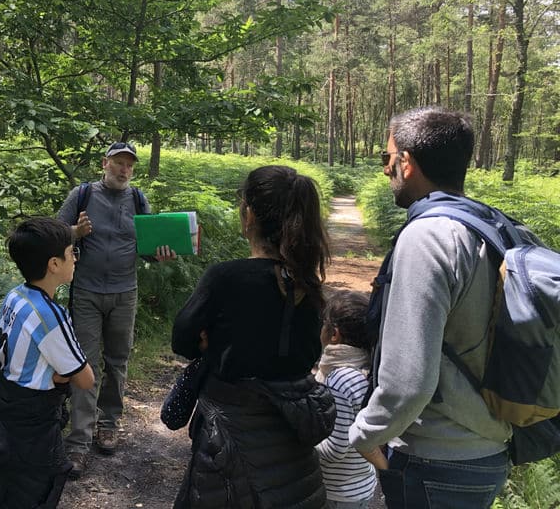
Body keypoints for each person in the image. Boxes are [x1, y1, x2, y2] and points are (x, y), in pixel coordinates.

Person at [348, 107, 511, 509]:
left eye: (387, 159)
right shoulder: (491, 227)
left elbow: (410, 379)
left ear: (406, 161)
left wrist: (365, 434)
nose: (385, 170)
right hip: (489, 449)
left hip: (435, 458)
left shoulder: (428, 236)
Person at [171, 165, 336, 509]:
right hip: (293, 450)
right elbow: (304, 353)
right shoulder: (310, 285)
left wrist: (212, 342)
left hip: (229, 443)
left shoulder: (226, 278)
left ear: (249, 216)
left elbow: (183, 339)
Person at [57, 141, 175, 478]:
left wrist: (162, 252)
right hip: (87, 293)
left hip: (125, 292)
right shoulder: (81, 195)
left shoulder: (137, 199)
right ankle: (78, 442)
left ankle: (108, 424)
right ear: (104, 164)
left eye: (129, 165)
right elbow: (52, 233)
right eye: (118, 163)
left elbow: (150, 245)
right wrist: (75, 232)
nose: (124, 170)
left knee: (118, 361)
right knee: (85, 364)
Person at [0, 217, 95, 509]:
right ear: (54, 264)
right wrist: (61, 376)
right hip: (30, 420)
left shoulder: (15, 296)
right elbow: (85, 379)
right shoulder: (51, 316)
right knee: (34, 491)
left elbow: (22, 351)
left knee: (6, 484)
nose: (75, 258)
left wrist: (55, 374)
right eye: (71, 253)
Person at [316, 290, 384, 509]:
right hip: (359, 483)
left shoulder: (340, 380)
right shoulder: (365, 368)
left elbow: (334, 450)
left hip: (338, 493)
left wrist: (295, 439)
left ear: (334, 334)